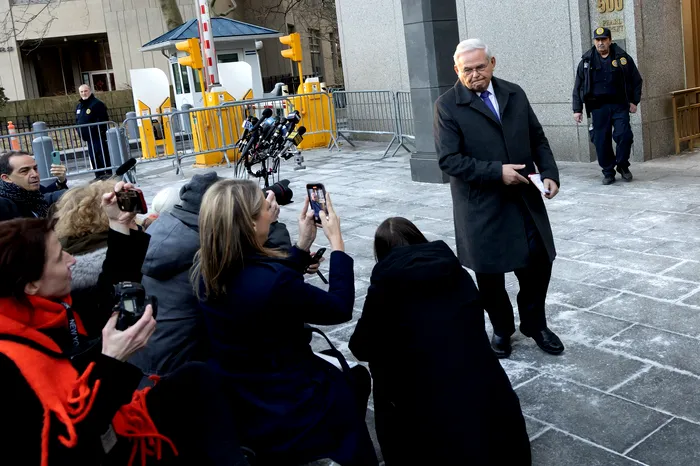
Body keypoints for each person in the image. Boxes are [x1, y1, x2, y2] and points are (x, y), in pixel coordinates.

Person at [0, 184, 251, 465]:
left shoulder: (47, 310)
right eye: (59, 257)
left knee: (196, 377)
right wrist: (112, 361)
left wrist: (120, 224)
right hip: (95, 443)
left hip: (112, 420)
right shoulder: (11, 361)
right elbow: (69, 446)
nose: (71, 260)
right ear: (31, 285)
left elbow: (111, 292)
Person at [194, 179, 378, 466]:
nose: (271, 209)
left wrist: (302, 246)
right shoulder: (273, 282)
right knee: (348, 389)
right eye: (264, 207)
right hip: (287, 394)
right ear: (250, 224)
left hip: (241, 388)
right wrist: (337, 245)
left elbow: (262, 280)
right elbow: (339, 308)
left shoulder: (207, 269)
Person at [349, 217, 531, 465]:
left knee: (380, 365)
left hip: (428, 409)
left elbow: (361, 347)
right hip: (488, 399)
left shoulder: (385, 286)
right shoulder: (457, 273)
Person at [434, 38, 564, 358]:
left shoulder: (514, 93)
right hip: (481, 204)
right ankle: (502, 329)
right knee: (490, 275)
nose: (475, 74)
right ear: (456, 70)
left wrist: (549, 172)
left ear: (492, 63)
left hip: (524, 199)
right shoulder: (447, 106)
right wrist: (496, 172)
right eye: (467, 70)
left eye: (480, 67)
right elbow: (449, 160)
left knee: (539, 263)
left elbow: (537, 138)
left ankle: (534, 324)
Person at [131, 172, 305, 376]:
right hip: (186, 370)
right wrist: (271, 225)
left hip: (141, 361)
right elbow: (276, 284)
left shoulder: (161, 228)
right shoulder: (208, 246)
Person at [573, 27, 643, 185]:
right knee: (601, 141)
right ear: (594, 41)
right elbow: (578, 86)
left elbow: (636, 80)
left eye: (604, 39)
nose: (600, 43)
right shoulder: (586, 61)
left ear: (610, 41)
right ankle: (608, 171)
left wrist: (634, 101)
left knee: (624, 136)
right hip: (598, 107)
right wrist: (577, 109)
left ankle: (623, 165)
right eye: (597, 40)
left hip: (619, 105)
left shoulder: (622, 58)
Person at [0, 150, 68, 221]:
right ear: (6, 178)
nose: (35, 174)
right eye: (24, 171)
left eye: (35, 168)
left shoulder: (33, 193)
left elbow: (49, 195)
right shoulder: (3, 205)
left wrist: (61, 180)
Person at [76, 84, 113, 178]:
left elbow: (102, 120)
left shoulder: (97, 104)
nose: (84, 93)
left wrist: (96, 131)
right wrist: (80, 131)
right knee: (93, 157)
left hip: (98, 136)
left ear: (90, 91)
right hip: (88, 138)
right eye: (81, 92)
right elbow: (77, 120)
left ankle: (108, 175)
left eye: (85, 91)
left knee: (102, 155)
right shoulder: (79, 106)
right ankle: (99, 176)